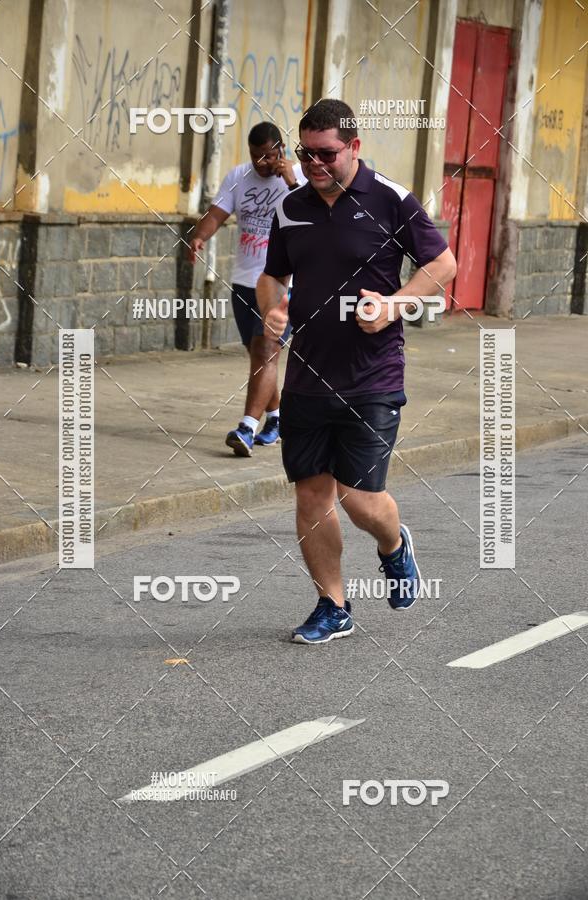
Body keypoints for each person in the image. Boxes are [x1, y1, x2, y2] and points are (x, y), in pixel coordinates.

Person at [256, 99, 457, 644]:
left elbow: (443, 264)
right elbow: (272, 277)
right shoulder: (290, 207)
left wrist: (395, 305)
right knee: (311, 494)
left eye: (327, 154)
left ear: (354, 148)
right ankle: (332, 604)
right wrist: (274, 309)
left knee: (359, 497)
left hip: (372, 377)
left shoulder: (391, 201)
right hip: (306, 379)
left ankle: (394, 545)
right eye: (306, 153)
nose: (315, 163)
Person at [187, 122, 305, 457]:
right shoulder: (238, 176)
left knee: (266, 349)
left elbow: (310, 216)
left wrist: (291, 181)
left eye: (268, 156)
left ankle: (246, 428)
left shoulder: (300, 180)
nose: (262, 163)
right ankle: (277, 418)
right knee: (258, 356)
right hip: (244, 281)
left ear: (281, 150)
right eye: (256, 157)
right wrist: (199, 237)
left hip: (284, 283)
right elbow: (217, 213)